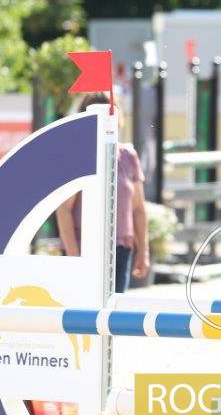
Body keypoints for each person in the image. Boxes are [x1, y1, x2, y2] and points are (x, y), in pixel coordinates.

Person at [55, 93, 150, 292]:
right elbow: (64, 210)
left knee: (114, 308)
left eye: (112, 114)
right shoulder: (77, 155)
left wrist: (143, 251)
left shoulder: (128, 156)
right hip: (83, 248)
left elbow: (138, 209)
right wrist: (74, 255)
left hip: (120, 249)